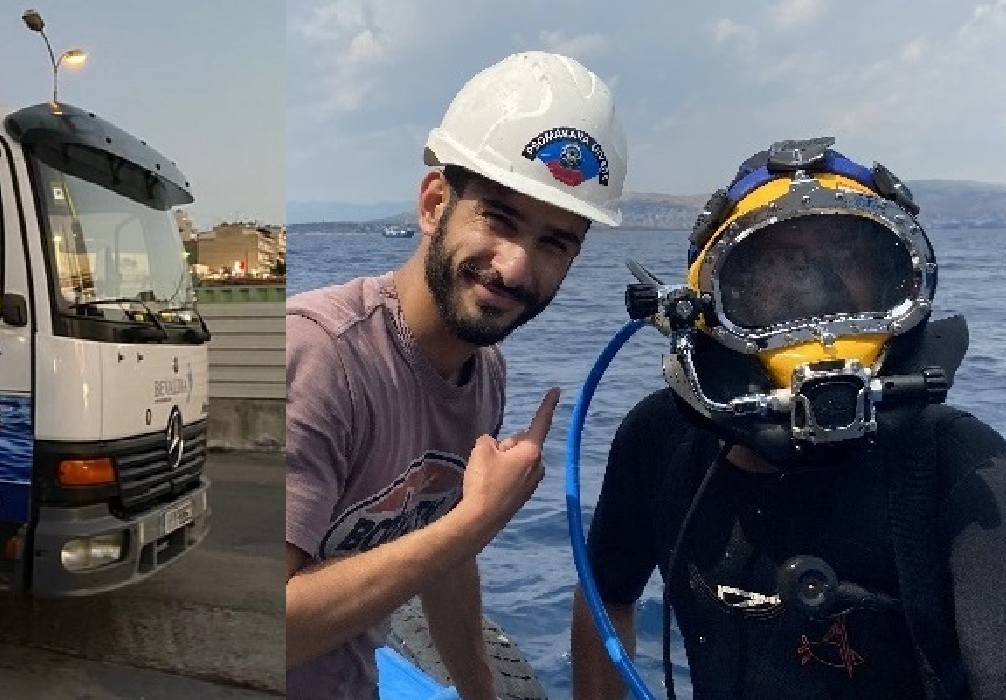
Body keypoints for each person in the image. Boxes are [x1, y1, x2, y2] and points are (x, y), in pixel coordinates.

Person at [570, 136, 1006, 700]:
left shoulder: (963, 471)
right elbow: (607, 594)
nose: (816, 308)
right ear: (708, 310)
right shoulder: (659, 440)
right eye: (775, 274)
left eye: (850, 264)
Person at [286, 51, 629, 699]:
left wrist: (480, 693)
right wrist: (474, 521)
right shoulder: (319, 357)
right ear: (434, 203)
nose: (515, 267)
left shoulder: (483, 374)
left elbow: (445, 564)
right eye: (499, 219)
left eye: (556, 242)